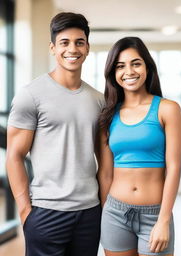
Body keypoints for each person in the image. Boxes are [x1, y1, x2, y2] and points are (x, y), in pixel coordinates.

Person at [6, 12, 104, 256]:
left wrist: (103, 206)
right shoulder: (31, 95)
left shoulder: (98, 100)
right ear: (53, 48)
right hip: (46, 212)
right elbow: (15, 155)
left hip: (89, 212)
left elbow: (104, 159)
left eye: (79, 42)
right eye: (64, 42)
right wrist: (25, 211)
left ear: (88, 48)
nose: (72, 49)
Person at [97, 37, 181, 256]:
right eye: (120, 66)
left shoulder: (168, 109)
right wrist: (105, 213)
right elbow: (106, 173)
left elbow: (174, 168)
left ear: (147, 66)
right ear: (113, 73)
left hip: (155, 215)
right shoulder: (108, 116)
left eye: (135, 63)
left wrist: (164, 219)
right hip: (115, 214)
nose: (129, 71)